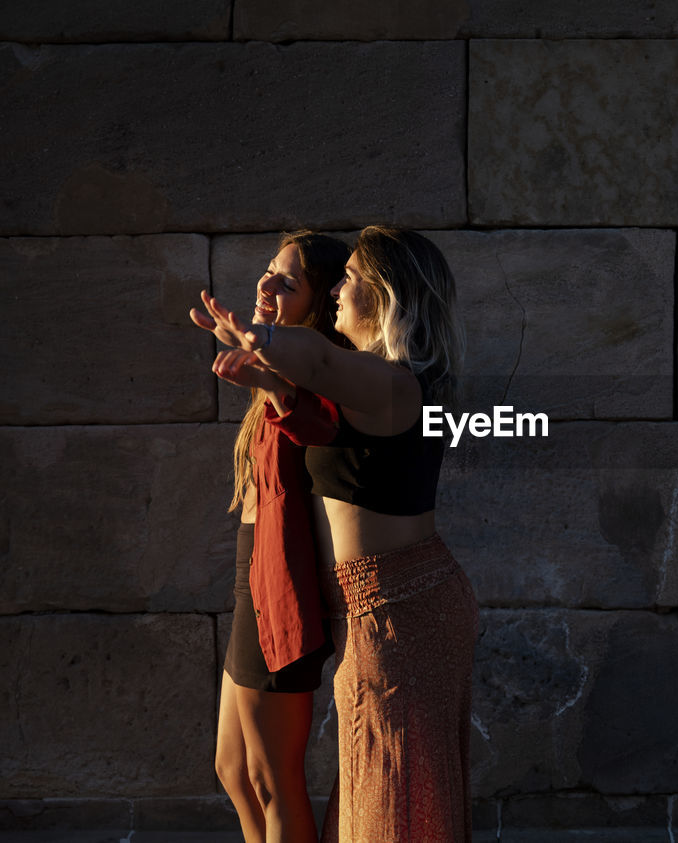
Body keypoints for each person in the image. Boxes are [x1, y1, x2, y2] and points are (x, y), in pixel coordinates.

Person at [192, 226, 480, 842]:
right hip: (380, 604)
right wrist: (269, 377)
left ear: (384, 296)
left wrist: (261, 338)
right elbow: (316, 413)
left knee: (391, 799)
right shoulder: (368, 381)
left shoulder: (398, 384)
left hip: (402, 607)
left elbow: (319, 360)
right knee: (378, 790)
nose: (338, 293)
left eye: (348, 279)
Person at [213, 231, 351, 843]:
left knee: (273, 782)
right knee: (234, 771)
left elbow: (322, 425)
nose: (265, 285)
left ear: (319, 304)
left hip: (279, 582)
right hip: (253, 574)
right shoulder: (278, 363)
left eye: (287, 282)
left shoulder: (325, 362)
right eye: (269, 271)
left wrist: (271, 381)